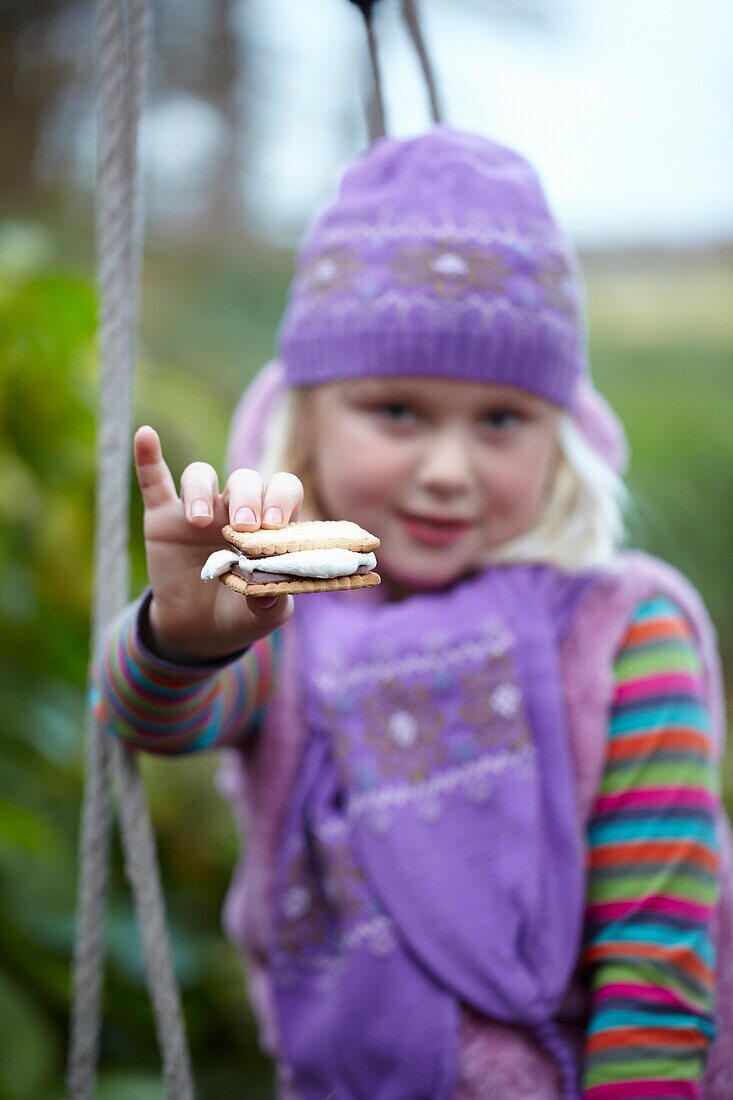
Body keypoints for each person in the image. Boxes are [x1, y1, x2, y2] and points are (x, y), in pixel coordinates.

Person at [92, 128, 732, 1099]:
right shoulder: (281, 613)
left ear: (563, 438)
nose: (447, 468)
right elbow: (144, 717)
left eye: (501, 420)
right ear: (309, 417)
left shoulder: (620, 634)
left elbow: (656, 948)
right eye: (396, 410)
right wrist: (182, 640)